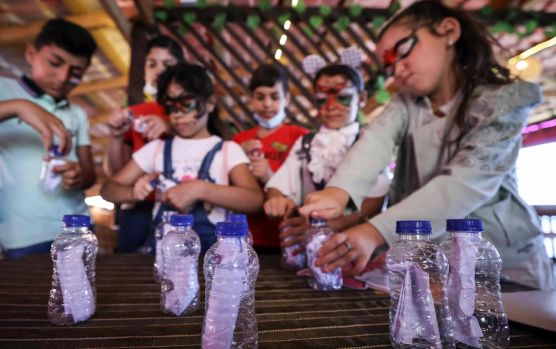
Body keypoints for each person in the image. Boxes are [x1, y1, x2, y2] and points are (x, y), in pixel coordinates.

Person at [300, 0, 554, 290]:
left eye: (403, 50)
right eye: (389, 63)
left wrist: (375, 232)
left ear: (448, 30)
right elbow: (374, 142)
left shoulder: (504, 100)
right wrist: (338, 191)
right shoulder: (406, 104)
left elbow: (463, 184)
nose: (398, 68)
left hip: (504, 264)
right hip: (434, 264)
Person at [0, 18, 97, 259]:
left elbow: (90, 173)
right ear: (31, 53)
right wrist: (18, 107)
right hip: (23, 234)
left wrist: (79, 174)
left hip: (78, 228)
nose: (63, 77)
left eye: (76, 73)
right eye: (55, 62)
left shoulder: (77, 113)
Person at [100, 63, 263, 253]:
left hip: (211, 257)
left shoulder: (227, 150)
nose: (177, 114)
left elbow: (254, 200)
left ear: (209, 103)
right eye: (171, 106)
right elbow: (108, 189)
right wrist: (133, 194)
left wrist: (200, 189)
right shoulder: (156, 149)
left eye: (186, 104)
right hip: (163, 255)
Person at [264, 50, 390, 254]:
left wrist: (330, 226)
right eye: (322, 100)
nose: (331, 107)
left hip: (358, 246)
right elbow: (280, 183)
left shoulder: (369, 142)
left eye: (343, 98)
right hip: (310, 247)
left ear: (362, 98)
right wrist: (277, 198)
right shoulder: (306, 143)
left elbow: (375, 199)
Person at [104, 35, 184, 253]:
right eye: (152, 64)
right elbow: (114, 172)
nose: (159, 70)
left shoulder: (190, 111)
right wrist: (116, 136)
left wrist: (170, 126)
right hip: (139, 206)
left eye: (167, 64)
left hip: (181, 206)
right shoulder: (135, 113)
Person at [233, 64, 308, 253]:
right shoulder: (239, 142)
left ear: (287, 99)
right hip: (247, 237)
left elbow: (309, 189)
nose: (267, 104)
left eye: (274, 97)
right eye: (260, 97)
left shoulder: (301, 138)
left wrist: (270, 177)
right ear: (251, 100)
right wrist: (236, 154)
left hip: (290, 239)